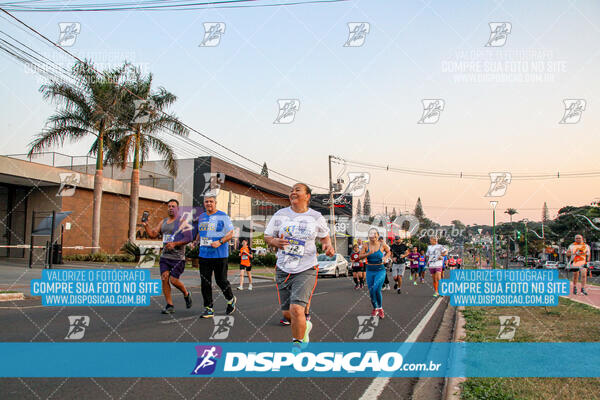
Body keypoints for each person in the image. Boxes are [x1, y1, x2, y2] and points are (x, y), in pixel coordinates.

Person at [265, 183, 334, 346]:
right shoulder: (280, 215)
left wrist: (327, 246)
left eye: (297, 190)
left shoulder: (316, 216)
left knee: (297, 310)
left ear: (307, 196)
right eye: (291, 190)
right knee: (288, 313)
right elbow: (267, 236)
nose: (293, 192)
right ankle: (306, 324)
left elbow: (325, 237)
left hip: (307, 267)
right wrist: (275, 241)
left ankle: (298, 346)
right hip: (283, 267)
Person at [143, 199, 193, 314]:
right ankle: (169, 305)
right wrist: (146, 225)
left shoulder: (182, 221)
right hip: (165, 257)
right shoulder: (163, 222)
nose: (170, 208)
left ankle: (186, 293)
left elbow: (189, 237)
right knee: (165, 279)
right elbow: (153, 234)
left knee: (174, 280)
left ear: (178, 209)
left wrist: (175, 244)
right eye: (169, 206)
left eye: (173, 206)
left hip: (178, 258)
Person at [196, 195, 236, 318]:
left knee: (221, 281)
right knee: (205, 282)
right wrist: (196, 241)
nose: (209, 204)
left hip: (220, 255)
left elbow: (230, 234)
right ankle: (209, 308)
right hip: (204, 254)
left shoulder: (223, 216)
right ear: (204, 203)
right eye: (206, 201)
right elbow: (200, 232)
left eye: (211, 201)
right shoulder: (201, 217)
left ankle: (231, 299)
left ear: (215, 203)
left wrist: (220, 242)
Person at [359, 228, 391, 318]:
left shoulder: (382, 244)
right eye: (371, 234)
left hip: (380, 270)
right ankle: (375, 308)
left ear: (377, 235)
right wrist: (368, 254)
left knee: (376, 289)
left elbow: (389, 252)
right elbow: (360, 256)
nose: (373, 236)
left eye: (375, 234)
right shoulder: (365, 245)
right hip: (370, 270)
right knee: (371, 291)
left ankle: (380, 308)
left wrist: (385, 258)